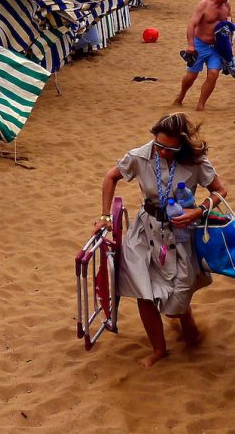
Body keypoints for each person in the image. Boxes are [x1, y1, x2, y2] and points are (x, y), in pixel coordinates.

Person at [96, 113, 227, 367]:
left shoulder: (195, 161)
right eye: (159, 145)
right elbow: (111, 176)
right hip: (144, 231)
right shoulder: (140, 155)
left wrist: (198, 211)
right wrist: (104, 216)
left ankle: (186, 321)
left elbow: (220, 191)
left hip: (180, 234)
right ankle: (158, 349)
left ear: (182, 145)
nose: (162, 152)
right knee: (143, 291)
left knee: (177, 300)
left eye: (170, 149)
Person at [175, 0, 232, 110]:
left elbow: (229, 22)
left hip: (217, 47)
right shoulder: (204, 5)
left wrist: (228, 44)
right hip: (200, 45)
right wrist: (190, 44)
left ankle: (201, 104)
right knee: (191, 76)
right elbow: (192, 24)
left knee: (213, 74)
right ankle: (181, 95)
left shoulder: (226, 6)